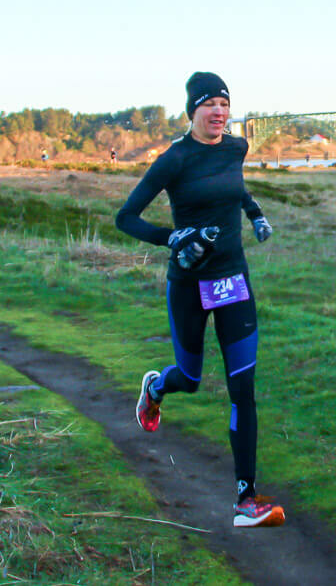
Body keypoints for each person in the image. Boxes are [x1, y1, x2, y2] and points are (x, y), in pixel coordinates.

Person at [116, 72, 282, 528]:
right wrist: (174, 237)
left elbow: (234, 185)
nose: (219, 112)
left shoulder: (236, 148)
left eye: (225, 104)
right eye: (209, 104)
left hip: (233, 283)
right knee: (189, 379)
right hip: (189, 286)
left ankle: (245, 500)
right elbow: (125, 217)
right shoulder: (174, 160)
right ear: (193, 110)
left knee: (242, 389)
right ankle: (155, 389)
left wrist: (255, 213)